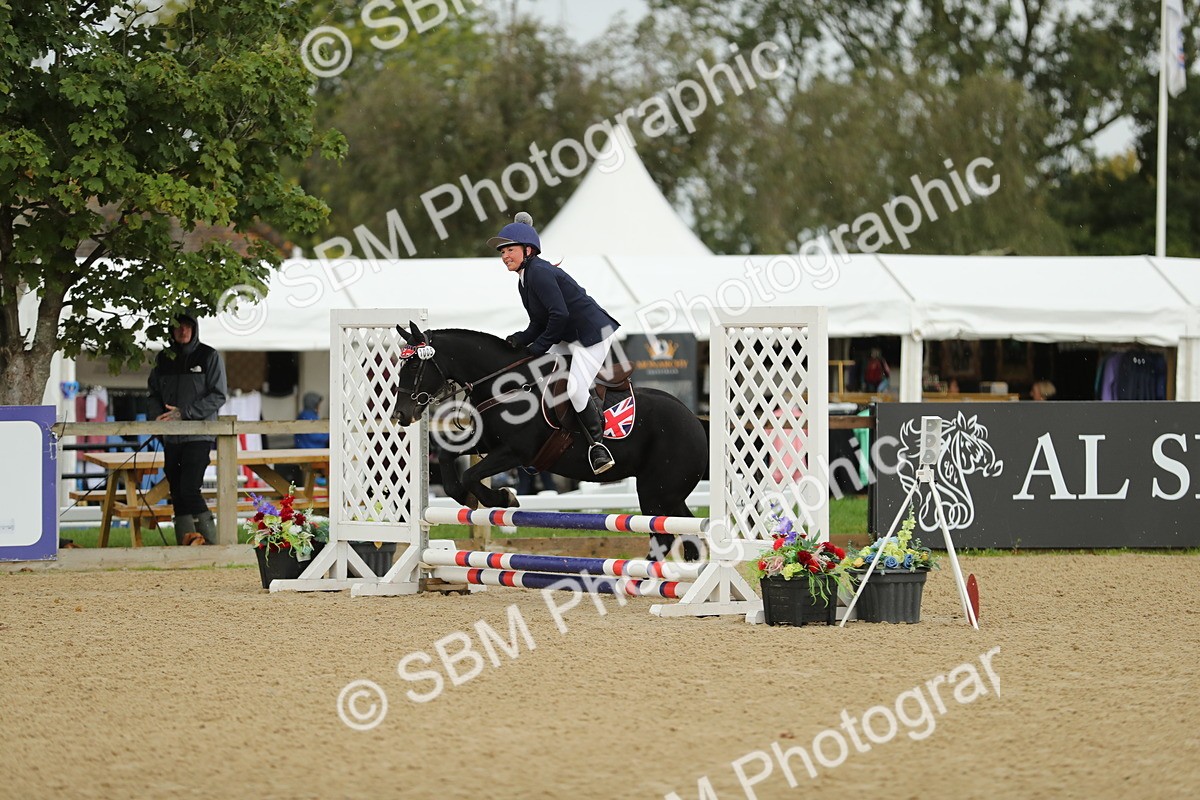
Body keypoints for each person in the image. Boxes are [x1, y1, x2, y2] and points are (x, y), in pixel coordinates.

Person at [489, 212, 620, 474]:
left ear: (528, 250)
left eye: (510, 250)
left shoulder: (539, 272)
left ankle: (598, 447)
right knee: (537, 374)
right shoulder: (525, 280)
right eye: (502, 252)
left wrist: (537, 347)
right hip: (569, 336)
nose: (505, 256)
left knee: (575, 388)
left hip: (592, 335)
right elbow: (539, 323)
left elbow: (559, 315)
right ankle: (541, 442)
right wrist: (520, 340)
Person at [147, 313, 228, 545]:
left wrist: (185, 412)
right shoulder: (163, 358)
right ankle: (186, 542)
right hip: (171, 437)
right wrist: (157, 417)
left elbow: (219, 395)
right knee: (176, 489)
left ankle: (212, 542)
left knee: (189, 488)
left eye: (187, 326)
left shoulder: (209, 356)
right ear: (171, 330)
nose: (183, 331)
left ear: (194, 329)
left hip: (199, 434)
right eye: (178, 326)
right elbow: (153, 393)